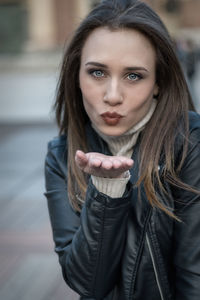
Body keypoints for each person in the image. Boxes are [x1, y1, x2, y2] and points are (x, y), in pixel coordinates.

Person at [44, 0, 200, 299]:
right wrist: (106, 190)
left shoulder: (191, 143)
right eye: (98, 73)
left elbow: (194, 278)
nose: (112, 96)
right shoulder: (61, 155)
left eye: (133, 76)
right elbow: (88, 284)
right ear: (76, 76)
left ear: (158, 82)